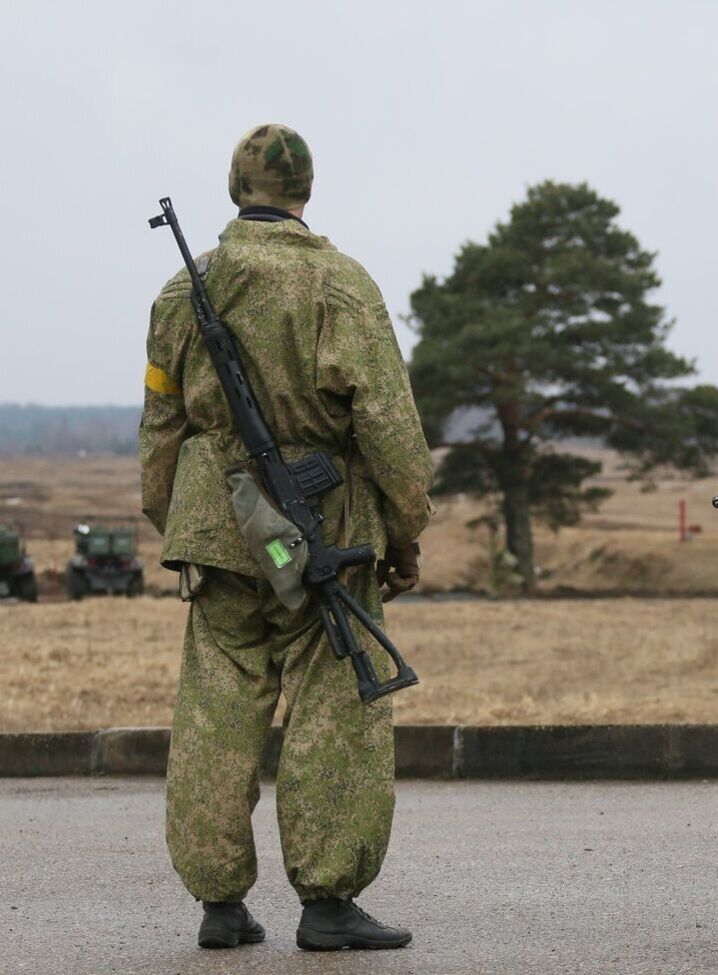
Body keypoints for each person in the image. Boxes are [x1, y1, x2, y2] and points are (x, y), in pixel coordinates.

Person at [139, 123, 435, 951]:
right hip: (324, 532)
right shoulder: (339, 285)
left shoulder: (178, 293)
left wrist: (183, 524)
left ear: (237, 190)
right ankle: (330, 901)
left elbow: (161, 423)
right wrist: (404, 528)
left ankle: (218, 903)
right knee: (335, 707)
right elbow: (388, 425)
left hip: (218, 530)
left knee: (215, 706)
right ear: (306, 191)